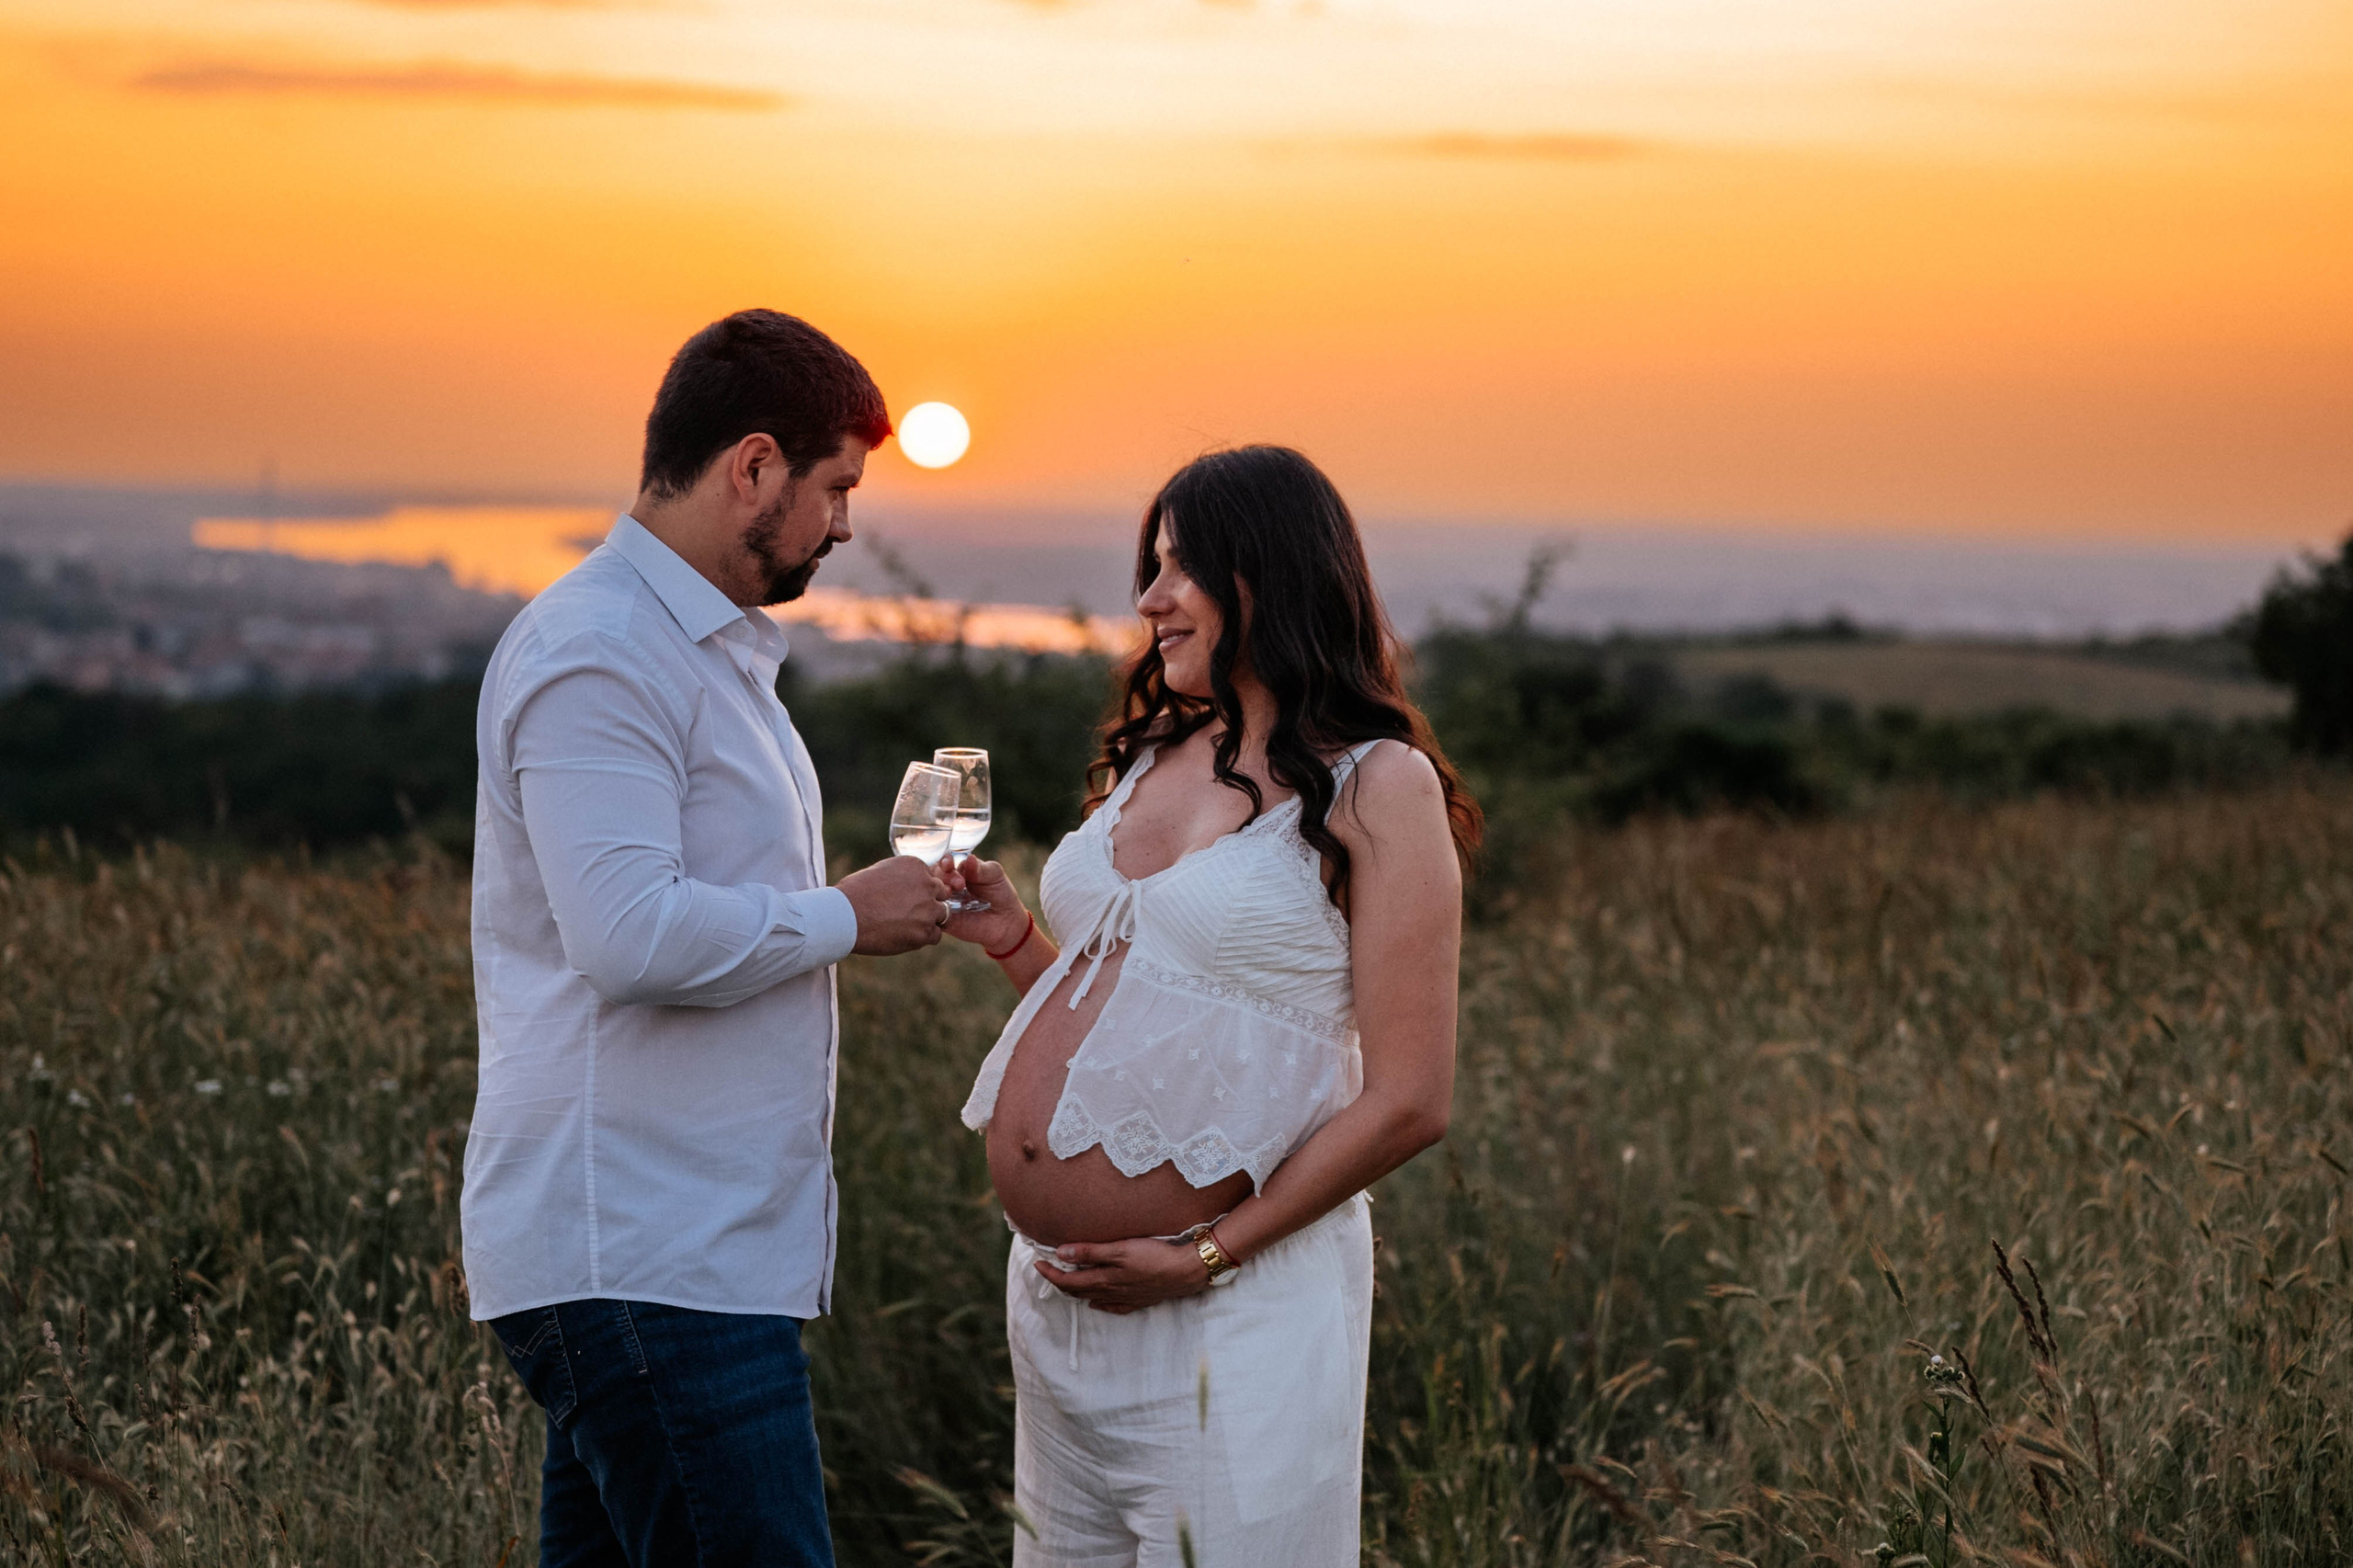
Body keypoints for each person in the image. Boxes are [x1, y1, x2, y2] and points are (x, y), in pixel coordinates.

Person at [461, 309, 952, 1567]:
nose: (846, 523)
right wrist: (848, 913)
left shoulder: (701, 654)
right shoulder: (603, 655)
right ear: (752, 467)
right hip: (644, 1252)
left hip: (682, 1249)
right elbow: (627, 937)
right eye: (835, 487)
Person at [943, 445, 1482, 1565]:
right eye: (1152, 564)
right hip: (1057, 1311)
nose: (1148, 598)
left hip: (1234, 1315)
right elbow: (1141, 1005)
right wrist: (1014, 943)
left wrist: (1202, 1256)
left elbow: (1411, 1098)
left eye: (1181, 567)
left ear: (1269, 576)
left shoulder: (1381, 783)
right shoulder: (1157, 751)